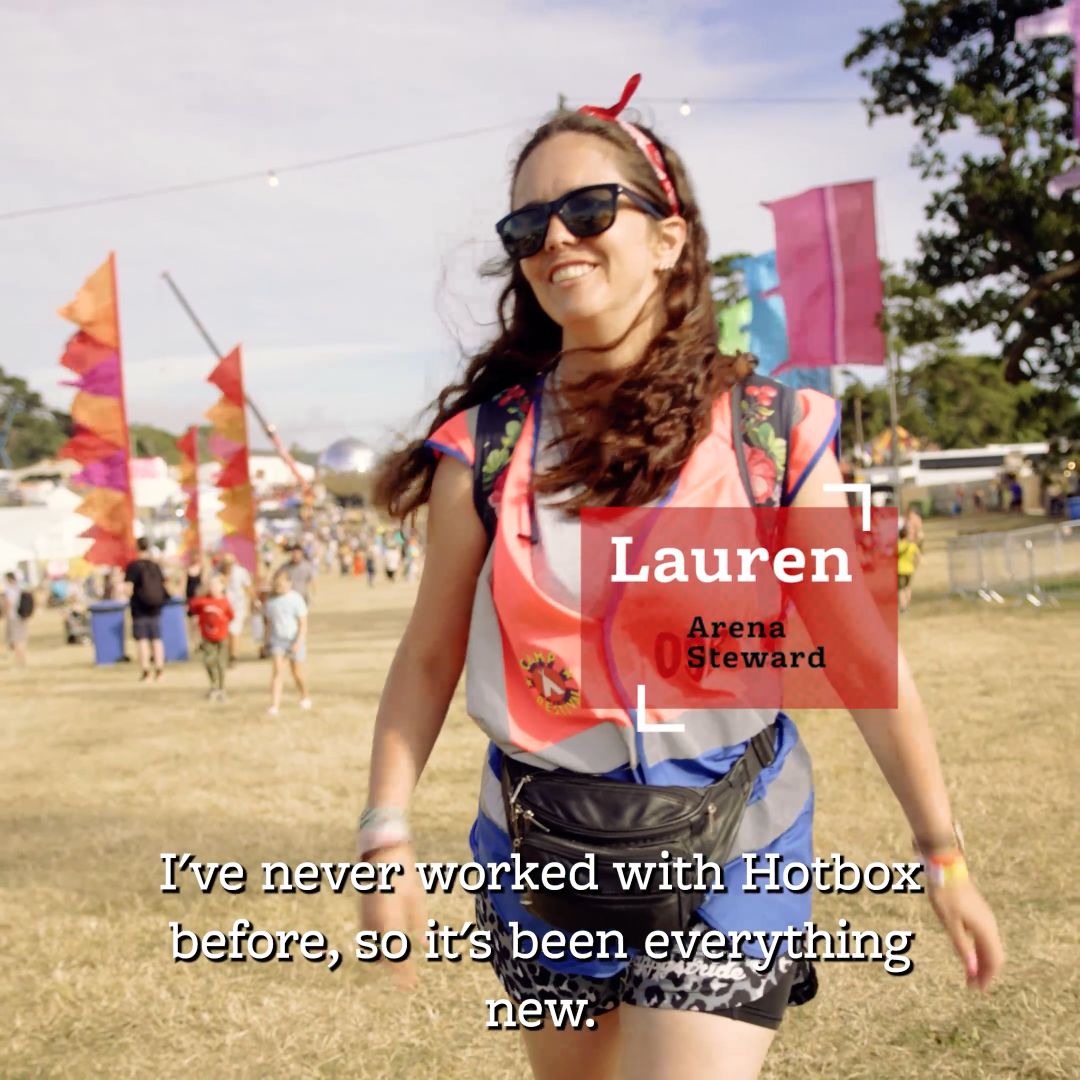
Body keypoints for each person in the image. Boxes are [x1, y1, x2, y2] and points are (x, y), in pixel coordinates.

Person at [359, 76, 1003, 1079]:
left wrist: (942, 850)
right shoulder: (484, 450)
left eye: (588, 209)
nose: (557, 240)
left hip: (735, 839)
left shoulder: (774, 435)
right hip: (543, 847)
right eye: (530, 223)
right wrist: (384, 827)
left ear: (668, 240)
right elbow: (430, 653)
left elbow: (864, 657)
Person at [264, 568, 311, 716]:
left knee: (296, 672)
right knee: (277, 671)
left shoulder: (296, 599)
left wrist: (298, 641)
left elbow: (303, 623)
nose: (279, 587)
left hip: (294, 640)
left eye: (282, 584)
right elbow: (269, 624)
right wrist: (266, 641)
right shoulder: (271, 602)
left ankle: (304, 695)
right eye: (277, 585)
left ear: (289, 583)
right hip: (278, 641)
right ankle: (275, 705)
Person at [124, 538, 169, 681]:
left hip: (139, 608)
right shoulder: (155, 566)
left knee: (142, 640)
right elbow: (165, 585)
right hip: (156, 607)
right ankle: (160, 670)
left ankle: (146, 671)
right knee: (157, 639)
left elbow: (128, 589)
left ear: (137, 548)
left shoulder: (133, 566)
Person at [188, 576, 234, 701]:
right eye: (211, 585)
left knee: (221, 662)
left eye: (216, 585)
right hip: (207, 637)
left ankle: (221, 687)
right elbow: (191, 607)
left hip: (222, 636)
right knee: (209, 660)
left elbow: (231, 616)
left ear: (222, 587)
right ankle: (213, 685)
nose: (213, 588)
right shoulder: (203, 601)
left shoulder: (225, 602)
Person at [220, 552, 254, 667]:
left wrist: (254, 601)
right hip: (222, 607)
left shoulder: (241, 572)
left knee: (233, 631)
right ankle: (226, 654)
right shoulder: (216, 572)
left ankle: (233, 656)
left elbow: (248, 587)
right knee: (225, 633)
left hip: (237, 607)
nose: (228, 566)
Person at [2, 571, 29, 667]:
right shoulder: (20, 588)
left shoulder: (9, 590)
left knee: (16, 640)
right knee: (21, 638)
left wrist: (5, 614)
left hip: (13, 617)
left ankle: (18, 661)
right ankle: (23, 659)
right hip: (21, 616)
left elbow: (8, 603)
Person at [897, 522, 921, 614]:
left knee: (901, 589)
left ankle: (903, 606)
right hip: (910, 569)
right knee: (908, 587)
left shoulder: (898, 545)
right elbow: (918, 557)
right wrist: (915, 566)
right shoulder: (912, 545)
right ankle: (907, 603)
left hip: (900, 570)